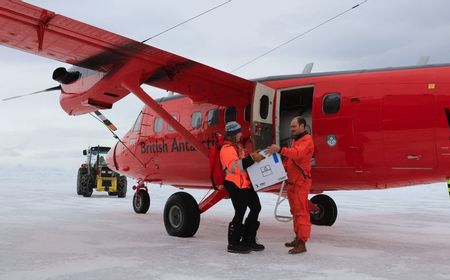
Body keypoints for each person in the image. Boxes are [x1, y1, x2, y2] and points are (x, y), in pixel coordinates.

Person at [267, 116, 314, 254]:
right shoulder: (297, 140)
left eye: (294, 126)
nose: (291, 129)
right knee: (295, 212)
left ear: (302, 126)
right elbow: (291, 161)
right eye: (291, 126)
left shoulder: (307, 141)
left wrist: (280, 150)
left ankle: (302, 242)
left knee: (301, 213)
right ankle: (298, 237)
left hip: (300, 182)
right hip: (292, 182)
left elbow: (297, 154)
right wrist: (280, 169)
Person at [220, 121, 265, 254]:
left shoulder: (237, 148)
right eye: (238, 132)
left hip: (245, 184)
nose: (241, 134)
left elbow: (244, 162)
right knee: (240, 212)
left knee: (256, 207)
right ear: (233, 134)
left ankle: (248, 238)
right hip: (234, 184)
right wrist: (252, 158)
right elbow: (235, 167)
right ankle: (233, 243)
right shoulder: (226, 149)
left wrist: (254, 156)